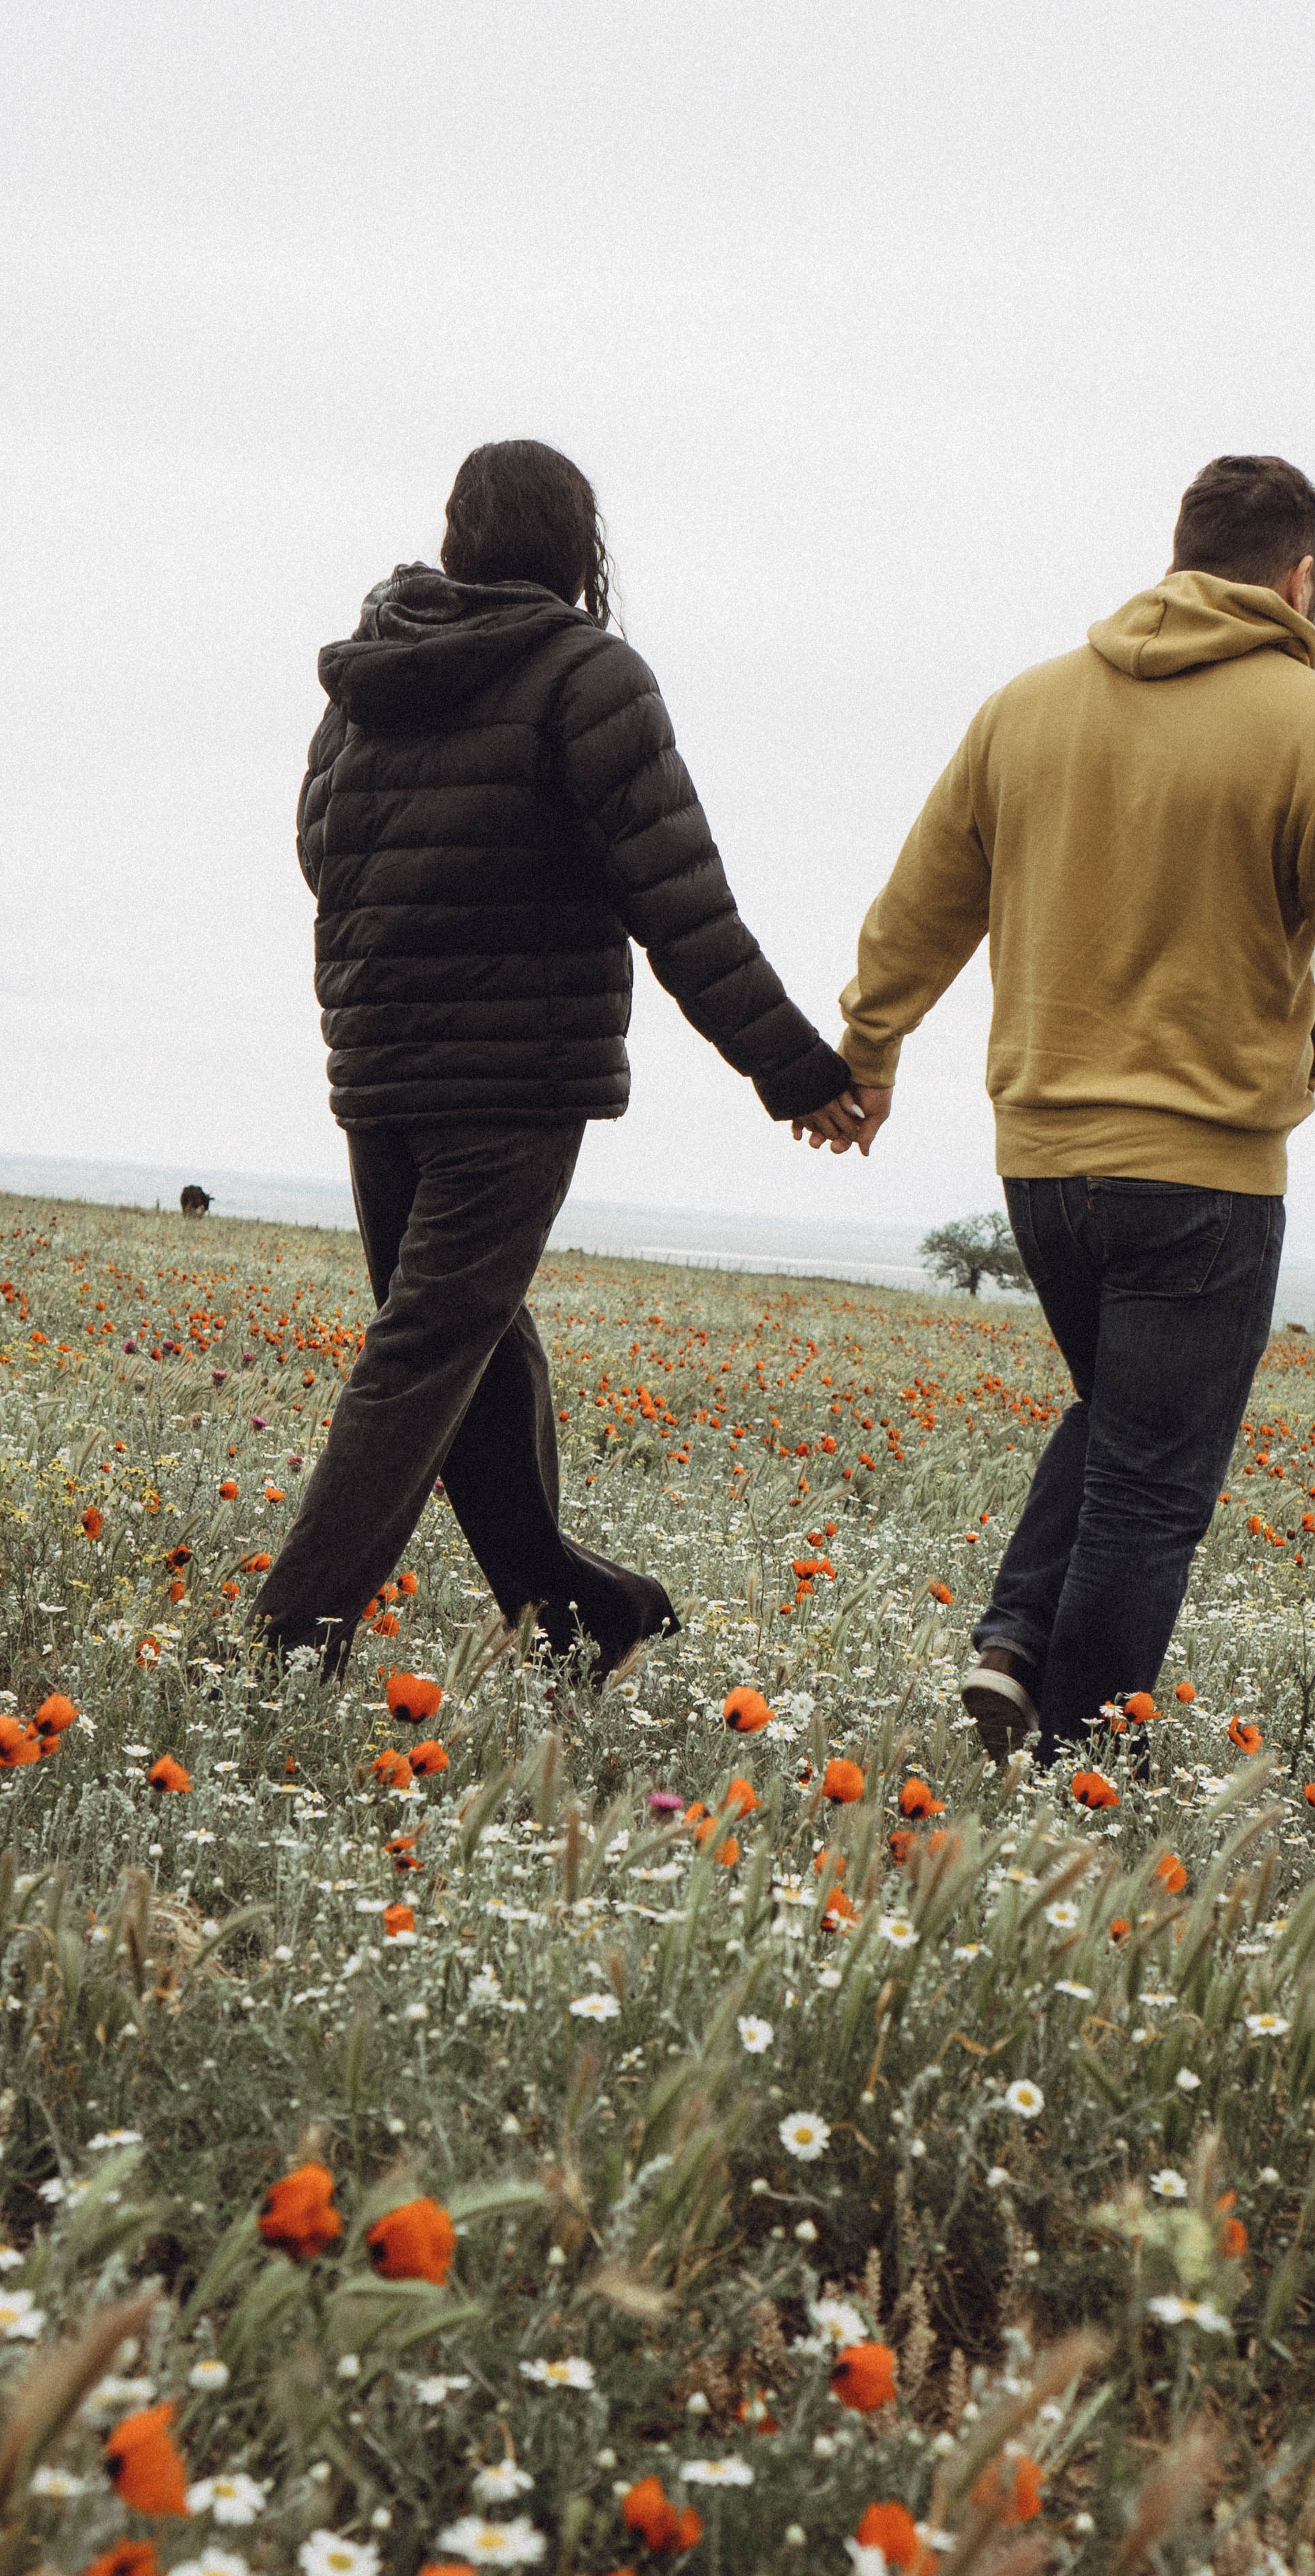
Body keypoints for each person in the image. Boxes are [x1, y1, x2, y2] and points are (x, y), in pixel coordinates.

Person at [814, 454, 1315, 1764]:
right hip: (1202, 1182)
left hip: (1041, 1172)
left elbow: (918, 906)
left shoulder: (1025, 710)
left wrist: (869, 1050)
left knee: (1120, 1422)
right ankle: (1080, 1765)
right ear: (1301, 576)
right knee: (1153, 1481)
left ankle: (1017, 1645)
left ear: (1181, 553)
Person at [255, 438, 863, 1675]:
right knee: (431, 1347)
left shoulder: (370, 676)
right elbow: (680, 901)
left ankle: (578, 1612)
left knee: (470, 1339)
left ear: (456, 535)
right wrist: (799, 1068)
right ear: (577, 546)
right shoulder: (589, 677)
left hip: (378, 1060)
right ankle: (285, 1640)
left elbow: (323, 850)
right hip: (514, 1075)